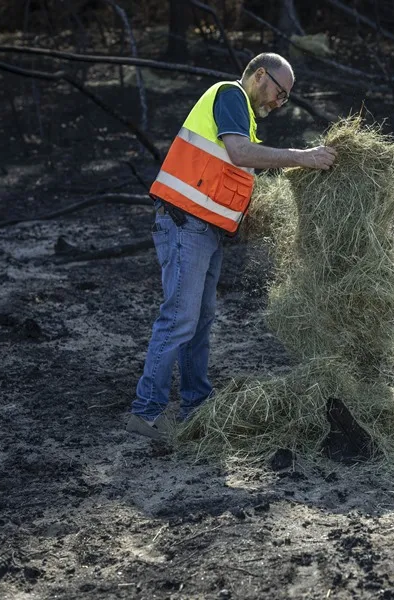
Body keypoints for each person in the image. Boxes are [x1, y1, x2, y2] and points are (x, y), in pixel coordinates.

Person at [127, 53, 337, 439]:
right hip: (184, 224)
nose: (280, 102)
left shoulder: (244, 120)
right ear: (260, 76)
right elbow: (239, 153)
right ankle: (147, 412)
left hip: (205, 231)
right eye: (280, 92)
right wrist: (300, 158)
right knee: (179, 320)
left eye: (285, 97)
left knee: (199, 323)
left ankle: (196, 408)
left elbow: (229, 175)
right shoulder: (230, 96)